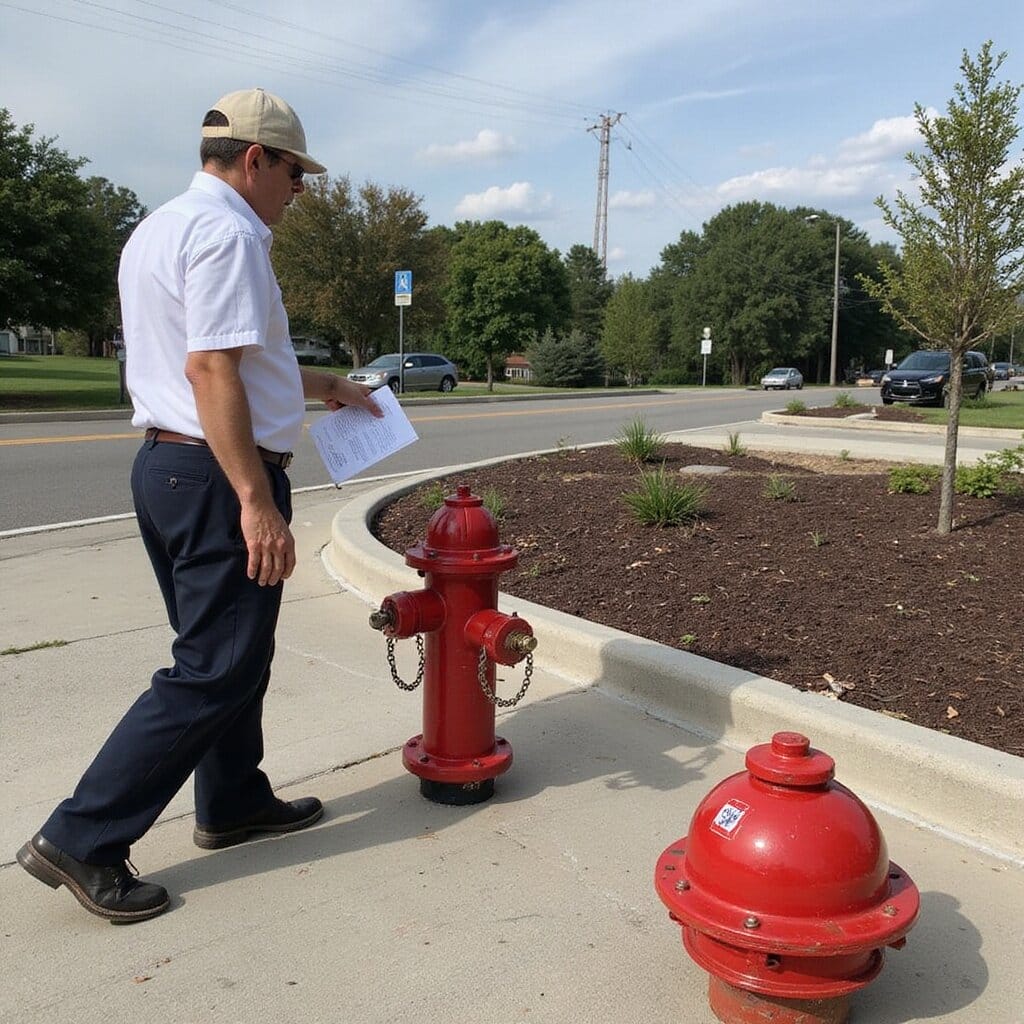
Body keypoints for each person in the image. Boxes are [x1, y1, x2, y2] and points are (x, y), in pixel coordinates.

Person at [16, 87, 381, 923]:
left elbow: (238, 362)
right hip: (219, 476)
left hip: (173, 470)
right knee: (214, 667)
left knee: (230, 653)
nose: (302, 189)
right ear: (256, 159)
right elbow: (211, 371)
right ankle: (84, 835)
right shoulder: (229, 234)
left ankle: (233, 800)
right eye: (296, 172)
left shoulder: (161, 226)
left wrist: (332, 387)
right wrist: (256, 499)